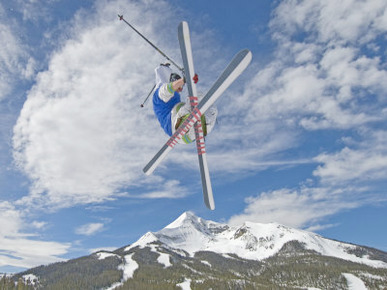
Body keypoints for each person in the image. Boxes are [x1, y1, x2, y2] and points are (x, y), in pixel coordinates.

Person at [152, 63, 218, 144]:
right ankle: (192, 123)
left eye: (182, 87)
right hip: (175, 126)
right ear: (172, 81)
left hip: (186, 138)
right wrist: (183, 80)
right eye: (180, 86)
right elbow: (166, 89)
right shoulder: (158, 95)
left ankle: (203, 125)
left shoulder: (174, 97)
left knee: (210, 107)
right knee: (196, 97)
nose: (181, 90)